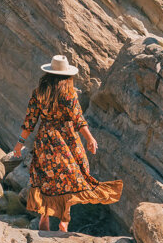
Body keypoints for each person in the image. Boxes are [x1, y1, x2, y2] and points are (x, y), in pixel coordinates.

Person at [13, 54, 123, 232]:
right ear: (67, 75)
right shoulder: (68, 93)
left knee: (46, 179)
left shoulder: (39, 92)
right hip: (67, 141)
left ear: (48, 73)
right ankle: (64, 219)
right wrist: (89, 138)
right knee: (74, 176)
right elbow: (78, 119)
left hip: (45, 142)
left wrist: (19, 143)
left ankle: (45, 216)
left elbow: (30, 121)